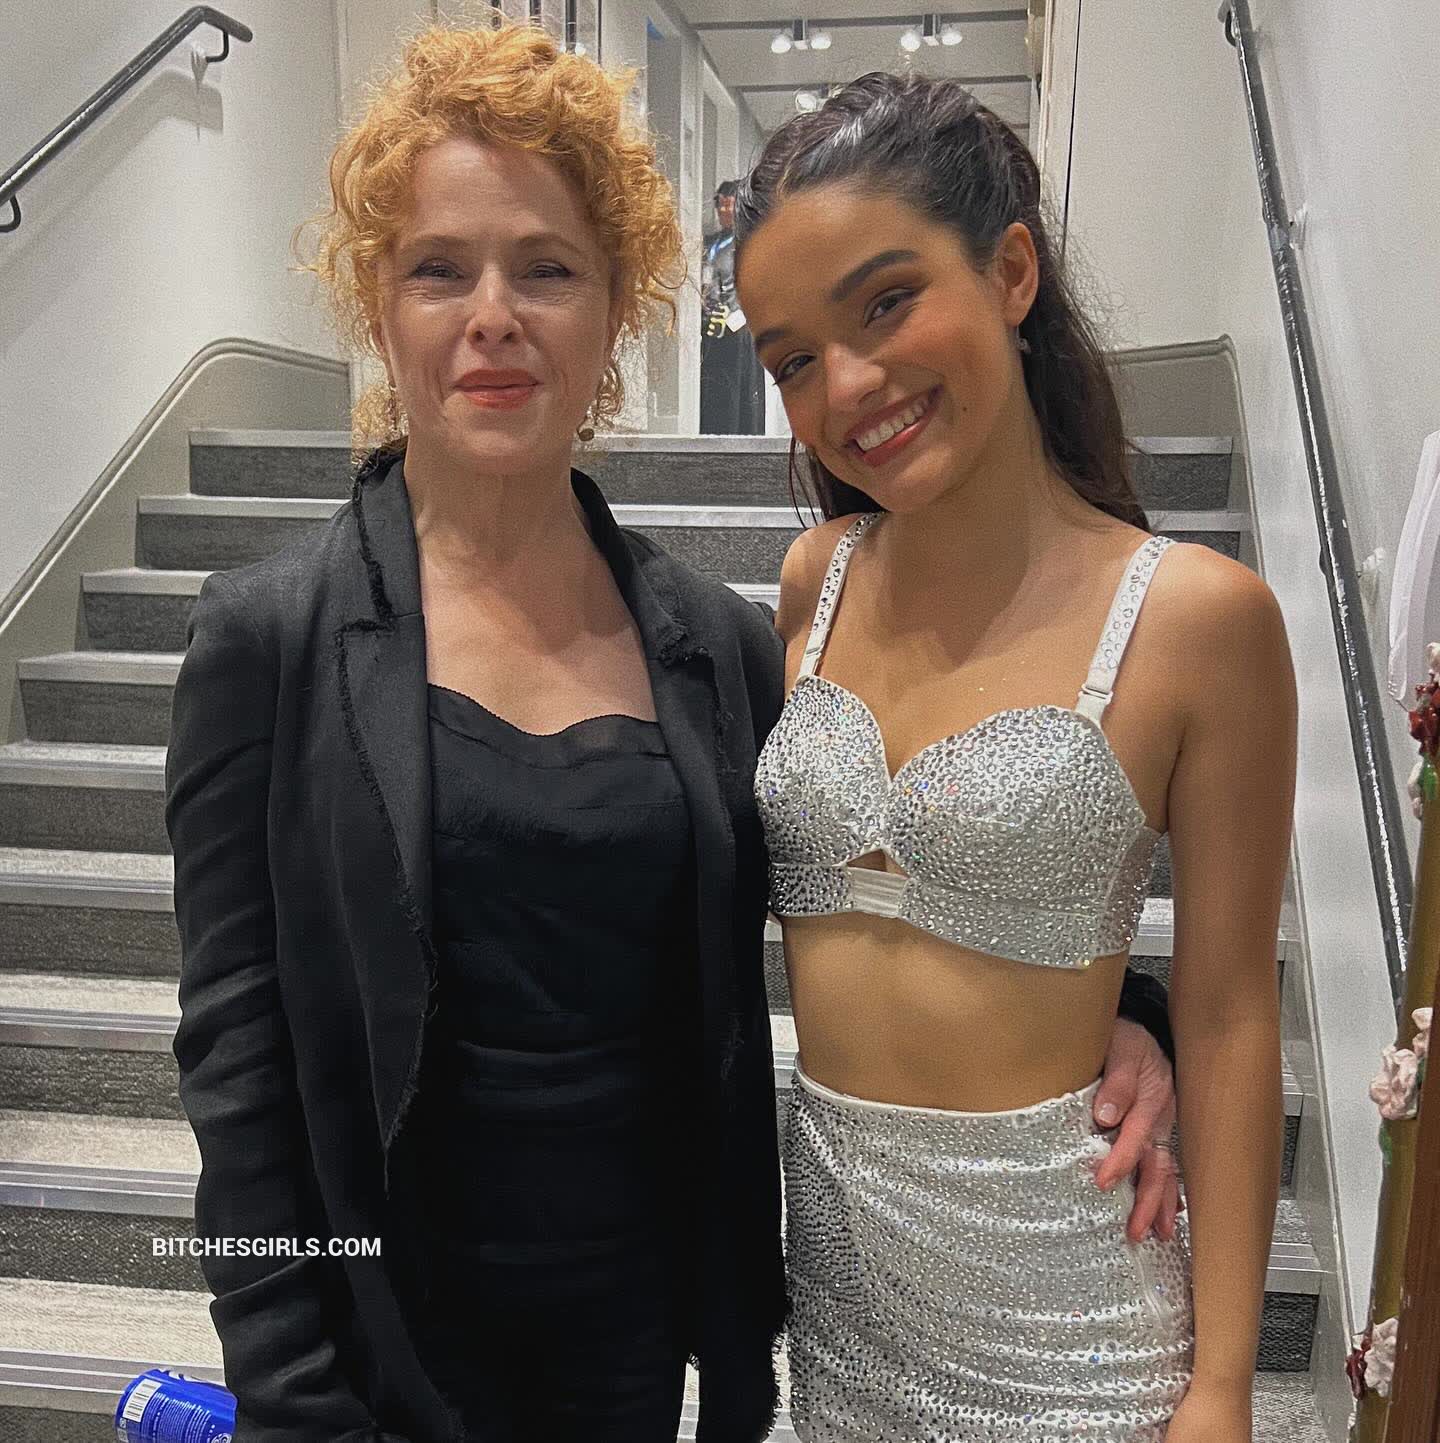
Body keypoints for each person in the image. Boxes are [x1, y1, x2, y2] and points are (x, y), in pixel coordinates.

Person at [165, 24, 1180, 1443]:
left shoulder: (713, 642)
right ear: (379, 310)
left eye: (547, 268)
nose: (494, 314)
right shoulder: (268, 640)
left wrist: (1126, 1016)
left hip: (636, 1342)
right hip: (383, 1352)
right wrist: (290, 1389)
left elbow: (878, 882)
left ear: (614, 312)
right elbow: (236, 1058)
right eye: (439, 269)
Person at [734, 73, 1295, 1442]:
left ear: (1012, 271)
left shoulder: (1196, 620)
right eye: (793, 359)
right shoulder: (814, 582)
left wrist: (1224, 1384)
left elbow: (1231, 1011)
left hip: (1066, 1309)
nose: (846, 386)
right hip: (843, 1292)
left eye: (886, 303)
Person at [701, 180, 765, 434]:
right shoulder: (710, 242)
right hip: (711, 326)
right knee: (713, 389)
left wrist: (737, 315)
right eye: (721, 206)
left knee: (738, 392)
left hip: (738, 328)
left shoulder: (748, 243)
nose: (724, 212)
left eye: (729, 206)